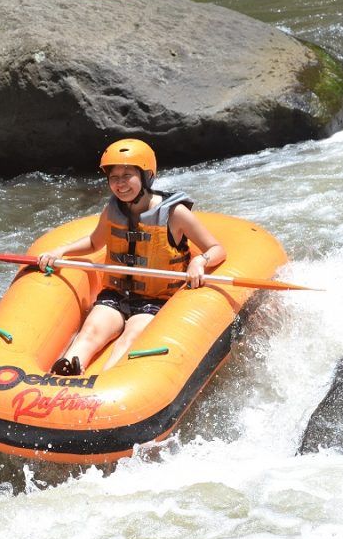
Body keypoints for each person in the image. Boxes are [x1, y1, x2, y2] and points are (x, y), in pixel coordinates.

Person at [37, 139, 227, 376]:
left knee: (130, 338)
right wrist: (61, 251)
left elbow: (216, 248)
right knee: (91, 332)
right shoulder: (112, 209)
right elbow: (95, 242)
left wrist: (201, 261)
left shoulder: (174, 213)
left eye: (127, 175)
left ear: (146, 176)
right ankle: (66, 372)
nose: (120, 183)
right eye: (114, 177)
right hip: (116, 295)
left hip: (155, 300)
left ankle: (103, 382)